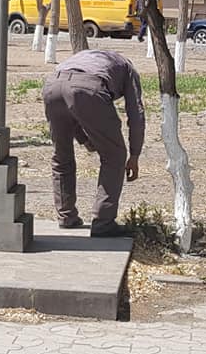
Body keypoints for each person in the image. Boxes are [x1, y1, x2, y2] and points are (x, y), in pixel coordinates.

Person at [42, 49, 145, 236]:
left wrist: (86, 141)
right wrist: (134, 155)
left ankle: (66, 216)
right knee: (114, 155)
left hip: (52, 84)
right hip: (88, 88)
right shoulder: (128, 68)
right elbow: (136, 113)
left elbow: (71, 106)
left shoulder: (86, 57)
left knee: (61, 156)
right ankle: (103, 222)